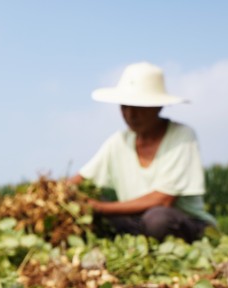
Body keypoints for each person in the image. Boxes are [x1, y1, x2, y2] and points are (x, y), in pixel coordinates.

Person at [70, 62, 216, 242]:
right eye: (125, 107)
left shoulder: (182, 136)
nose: (131, 114)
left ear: (158, 107)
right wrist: (55, 194)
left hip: (182, 222)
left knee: (157, 220)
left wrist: (98, 207)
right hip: (136, 222)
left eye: (138, 107)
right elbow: (80, 179)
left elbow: (164, 199)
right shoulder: (119, 141)